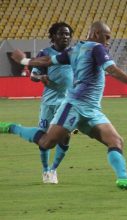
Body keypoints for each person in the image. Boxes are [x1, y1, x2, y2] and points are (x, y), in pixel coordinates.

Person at [0, 21, 127, 193]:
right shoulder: (97, 48)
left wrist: (25, 60)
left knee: (116, 141)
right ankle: (12, 128)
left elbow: (48, 61)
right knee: (47, 142)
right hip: (74, 106)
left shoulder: (73, 50)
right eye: (107, 37)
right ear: (96, 34)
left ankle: (123, 178)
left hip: (92, 110)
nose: (108, 41)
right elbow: (112, 70)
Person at [29, 22, 74, 184]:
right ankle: (45, 170)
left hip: (68, 103)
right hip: (49, 102)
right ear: (53, 36)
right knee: (45, 138)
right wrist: (40, 77)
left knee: (66, 136)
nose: (65, 37)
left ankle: (54, 169)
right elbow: (33, 75)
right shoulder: (45, 53)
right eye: (62, 34)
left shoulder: (73, 54)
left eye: (68, 34)